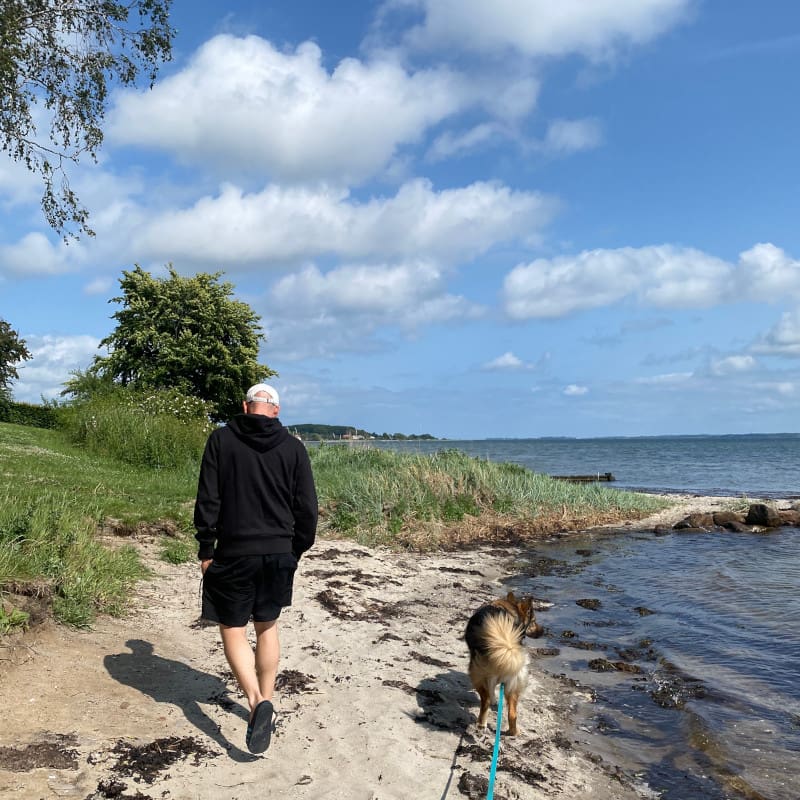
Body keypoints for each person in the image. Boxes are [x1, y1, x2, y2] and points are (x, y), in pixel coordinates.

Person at [194, 383, 318, 754]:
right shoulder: (294, 448)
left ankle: (256, 703)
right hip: (279, 553)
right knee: (267, 626)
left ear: (246, 407)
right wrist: (296, 549)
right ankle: (268, 698)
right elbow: (308, 508)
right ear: (276, 411)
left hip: (233, 551)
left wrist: (206, 546)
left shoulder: (221, 441)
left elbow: (208, 497)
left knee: (232, 628)